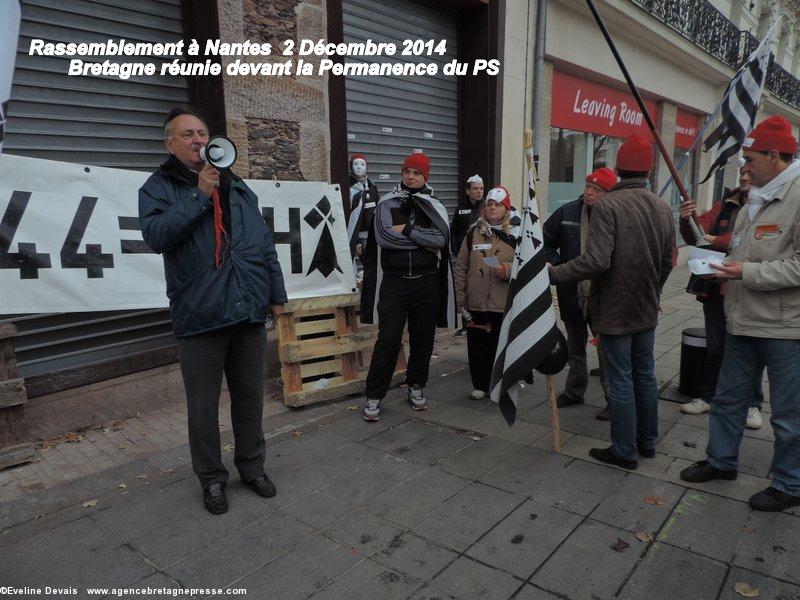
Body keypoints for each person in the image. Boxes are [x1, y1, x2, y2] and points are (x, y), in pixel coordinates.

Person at [138, 106, 287, 515]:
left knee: (250, 398)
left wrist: (277, 293)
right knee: (203, 407)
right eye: (188, 135)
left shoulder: (236, 185)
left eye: (202, 133)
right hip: (199, 315)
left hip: (246, 311)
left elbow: (263, 244)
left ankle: (252, 467)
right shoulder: (158, 187)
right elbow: (157, 235)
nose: (198, 140)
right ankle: (211, 479)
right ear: (170, 143)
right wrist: (198, 194)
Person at [680, 116, 800, 512]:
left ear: (775, 156)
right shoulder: (756, 196)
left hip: (786, 328)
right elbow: (742, 250)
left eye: (750, 158)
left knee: (787, 415)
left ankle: (788, 484)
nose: (744, 167)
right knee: (728, 399)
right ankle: (721, 461)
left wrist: (745, 272)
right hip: (742, 318)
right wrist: (723, 266)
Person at [549, 134, 675, 470]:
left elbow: (596, 261)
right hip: (645, 308)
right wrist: (654, 290)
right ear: (647, 172)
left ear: (618, 169)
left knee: (621, 378)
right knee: (644, 375)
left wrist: (556, 274)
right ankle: (647, 442)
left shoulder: (609, 206)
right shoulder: (662, 206)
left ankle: (624, 449)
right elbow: (669, 260)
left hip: (616, 309)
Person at [360, 152, 455, 421]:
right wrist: (421, 241)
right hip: (395, 283)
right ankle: (374, 395)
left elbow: (440, 240)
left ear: (426, 176)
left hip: (426, 283)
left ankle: (416, 386)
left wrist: (407, 230)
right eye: (407, 172)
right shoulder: (387, 203)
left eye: (416, 173)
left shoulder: (434, 204)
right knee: (388, 339)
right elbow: (384, 237)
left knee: (423, 338)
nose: (411, 177)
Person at [678, 170, 764, 428]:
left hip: (749, 288)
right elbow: (697, 235)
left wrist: (719, 240)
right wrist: (686, 221)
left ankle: (751, 404)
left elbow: (752, 240)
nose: (746, 176)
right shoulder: (725, 204)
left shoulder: (768, 204)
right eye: (743, 172)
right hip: (716, 288)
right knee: (715, 347)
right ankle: (709, 396)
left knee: (750, 350)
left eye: (751, 170)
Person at [543, 167, 616, 421]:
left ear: (608, 194)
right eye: (587, 186)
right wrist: (558, 264)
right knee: (575, 345)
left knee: (606, 350)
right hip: (570, 290)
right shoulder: (567, 211)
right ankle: (575, 390)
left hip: (601, 294)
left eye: (596, 189)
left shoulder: (614, 216)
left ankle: (612, 400)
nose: (588, 192)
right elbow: (545, 239)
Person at [453, 186, 520, 399]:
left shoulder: (517, 233)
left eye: (498, 204)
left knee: (500, 345)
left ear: (506, 208)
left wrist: (508, 270)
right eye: (489, 204)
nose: (492, 208)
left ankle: (501, 383)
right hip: (476, 302)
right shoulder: (474, 233)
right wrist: (460, 299)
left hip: (503, 302)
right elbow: (461, 267)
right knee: (477, 346)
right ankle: (481, 384)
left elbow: (528, 264)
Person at [450, 174, 485, 337]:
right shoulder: (461, 207)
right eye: (475, 189)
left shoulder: (486, 208)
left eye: (481, 188)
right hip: (464, 257)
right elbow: (454, 231)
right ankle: (466, 324)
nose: (479, 192)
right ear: (468, 191)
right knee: (462, 290)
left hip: (481, 257)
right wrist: (457, 251)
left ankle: (481, 323)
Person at [346, 153, 380, 262]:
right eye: (355, 164)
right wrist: (355, 241)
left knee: (373, 267)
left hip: (374, 236)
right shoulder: (347, 187)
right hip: (357, 237)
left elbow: (379, 211)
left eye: (362, 164)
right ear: (351, 166)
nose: (359, 167)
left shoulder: (372, 187)